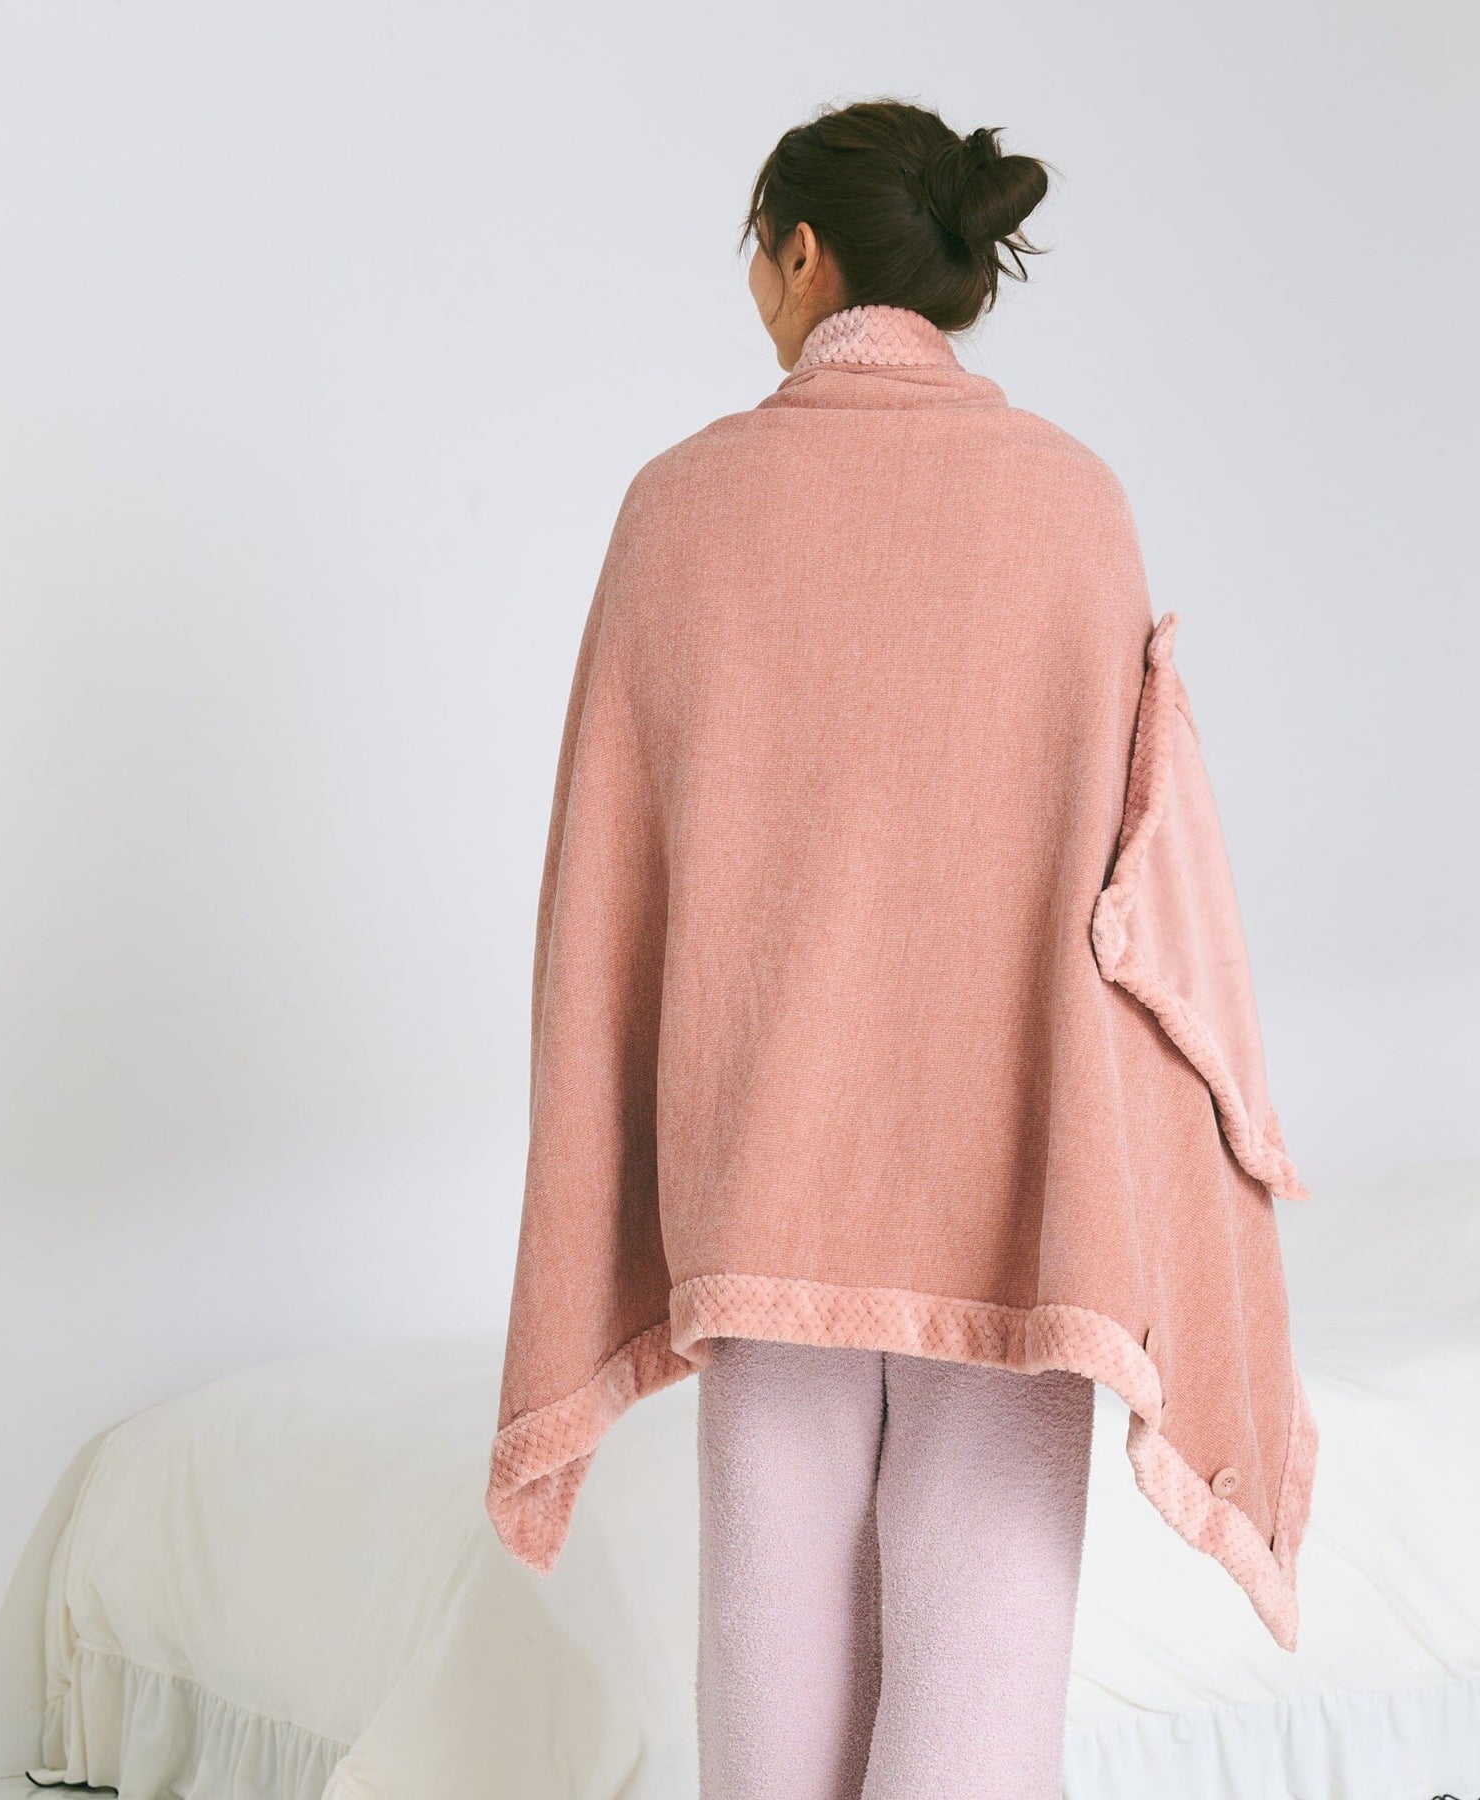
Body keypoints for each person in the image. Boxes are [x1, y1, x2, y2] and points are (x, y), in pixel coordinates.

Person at [488, 98, 1314, 1800]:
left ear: (802, 255)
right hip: (1017, 1177)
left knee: (768, 1630)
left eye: (756, 253)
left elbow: (602, 895)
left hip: (763, 1171)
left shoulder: (679, 510)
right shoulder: (1075, 509)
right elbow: (1144, 891)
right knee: (986, 1645)